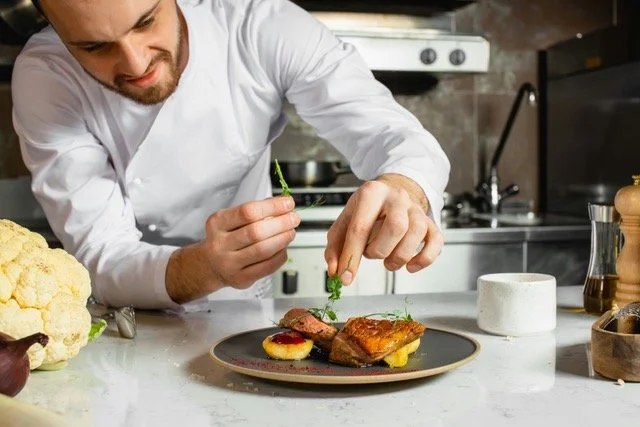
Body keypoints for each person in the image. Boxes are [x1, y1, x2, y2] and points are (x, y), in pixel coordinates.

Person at [11, 0, 450, 311]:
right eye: (94, 47)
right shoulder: (47, 75)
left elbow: (394, 134)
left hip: (242, 312)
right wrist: (204, 267)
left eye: (145, 22)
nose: (135, 62)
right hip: (128, 321)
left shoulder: (261, 27)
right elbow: (102, 255)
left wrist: (403, 186)